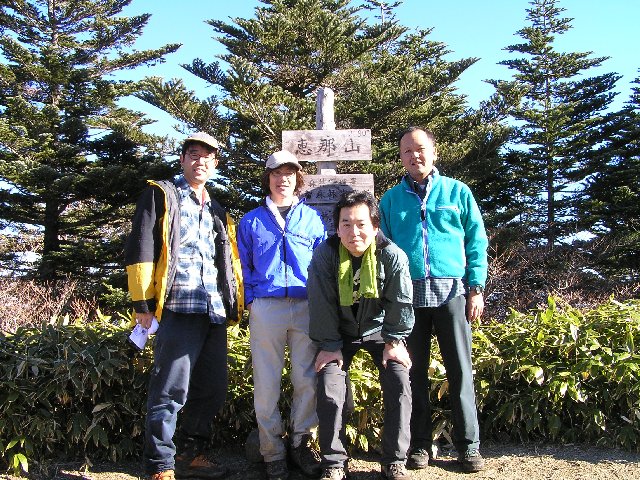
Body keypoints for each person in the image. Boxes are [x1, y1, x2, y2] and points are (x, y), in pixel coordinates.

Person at [125, 132, 239, 480]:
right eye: (193, 154)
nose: (200, 161)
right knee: (170, 389)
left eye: (207, 156)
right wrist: (142, 302)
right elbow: (141, 246)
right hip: (176, 306)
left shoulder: (217, 209)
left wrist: (235, 302)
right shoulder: (162, 195)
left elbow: (227, 262)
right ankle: (160, 464)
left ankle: (191, 453)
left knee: (212, 388)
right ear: (182, 160)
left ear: (215, 164)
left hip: (213, 310)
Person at [379, 126, 489, 473]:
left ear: (434, 151)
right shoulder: (390, 200)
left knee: (460, 371)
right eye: (407, 151)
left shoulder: (457, 192)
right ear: (401, 157)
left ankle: (468, 446)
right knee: (413, 377)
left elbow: (476, 241)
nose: (415, 156)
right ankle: (419, 445)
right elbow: (382, 252)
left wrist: (475, 288)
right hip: (408, 297)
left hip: (452, 293)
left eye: (421, 148)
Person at [308, 190, 415, 480]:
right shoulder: (326, 254)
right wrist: (329, 345)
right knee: (329, 383)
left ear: (375, 226)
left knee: (399, 378)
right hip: (339, 332)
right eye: (345, 224)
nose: (353, 231)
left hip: (380, 329)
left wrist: (394, 341)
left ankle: (394, 459)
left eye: (361, 224)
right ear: (337, 227)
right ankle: (333, 462)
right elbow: (321, 302)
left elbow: (401, 301)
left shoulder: (391, 255)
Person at [237, 150, 326, 480]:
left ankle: (302, 444)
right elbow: (241, 265)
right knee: (266, 383)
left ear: (297, 178)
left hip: (306, 307)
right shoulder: (251, 220)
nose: (283, 178)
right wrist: (250, 300)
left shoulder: (313, 219)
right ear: (268, 177)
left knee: (306, 380)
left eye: (290, 173)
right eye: (276, 172)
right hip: (266, 307)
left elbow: (322, 265)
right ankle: (271, 451)